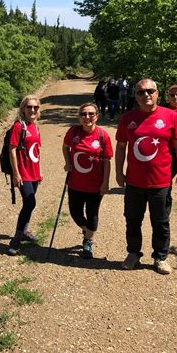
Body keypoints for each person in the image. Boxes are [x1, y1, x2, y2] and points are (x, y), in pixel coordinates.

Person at [115, 79, 177, 275]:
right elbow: (121, 146)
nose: (146, 95)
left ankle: (161, 257)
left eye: (150, 91)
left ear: (157, 94)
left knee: (161, 221)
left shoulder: (170, 116)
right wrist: (118, 172)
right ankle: (133, 254)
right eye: (141, 92)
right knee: (132, 219)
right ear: (135, 96)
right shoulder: (127, 119)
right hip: (134, 182)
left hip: (161, 181)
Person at [62, 103, 113, 258]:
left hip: (95, 185)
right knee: (75, 213)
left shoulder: (102, 135)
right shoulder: (73, 132)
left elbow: (106, 160)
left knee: (92, 214)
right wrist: (68, 162)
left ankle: (88, 241)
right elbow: (65, 147)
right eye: (83, 114)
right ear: (79, 117)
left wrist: (105, 183)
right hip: (75, 183)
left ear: (96, 116)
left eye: (91, 114)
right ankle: (87, 230)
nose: (87, 117)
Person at [7, 95, 42, 256]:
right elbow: (12, 149)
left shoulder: (35, 127)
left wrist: (39, 171)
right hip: (23, 174)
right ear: (23, 109)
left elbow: (36, 150)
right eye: (29, 107)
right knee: (29, 202)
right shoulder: (18, 126)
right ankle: (16, 238)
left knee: (29, 204)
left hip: (34, 173)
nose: (32, 110)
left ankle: (24, 231)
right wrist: (16, 173)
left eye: (35, 107)